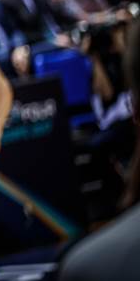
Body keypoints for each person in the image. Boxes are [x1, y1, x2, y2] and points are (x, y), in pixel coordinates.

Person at [58, 21, 140, 281]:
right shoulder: (94, 63)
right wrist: (92, 57)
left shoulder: (88, 267)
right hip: (107, 122)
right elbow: (103, 91)